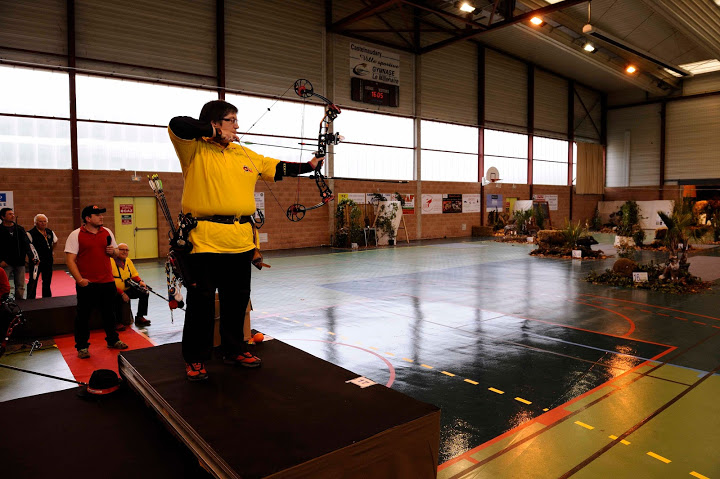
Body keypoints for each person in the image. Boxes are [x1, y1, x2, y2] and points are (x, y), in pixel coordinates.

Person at [169, 100, 324, 381]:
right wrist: (214, 134)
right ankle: (195, 358)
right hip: (203, 241)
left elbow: (278, 168)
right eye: (231, 120)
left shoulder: (244, 153)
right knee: (201, 304)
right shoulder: (193, 149)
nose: (237, 126)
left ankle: (234, 349)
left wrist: (310, 165)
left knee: (236, 300)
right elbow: (177, 124)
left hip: (240, 241)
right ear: (215, 122)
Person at [65, 205, 128, 359]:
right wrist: (80, 280)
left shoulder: (107, 232)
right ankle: (82, 347)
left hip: (107, 282)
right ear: (88, 218)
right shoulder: (76, 235)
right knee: (83, 316)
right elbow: (70, 260)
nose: (101, 217)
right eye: (97, 215)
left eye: (101, 214)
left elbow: (116, 253)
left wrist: (113, 252)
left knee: (109, 314)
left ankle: (113, 340)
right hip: (88, 284)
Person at [111, 243, 151, 330]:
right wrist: (122, 293)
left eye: (127, 250)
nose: (125, 252)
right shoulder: (110, 261)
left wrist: (140, 281)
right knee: (117, 298)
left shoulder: (128, 261)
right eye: (122, 249)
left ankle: (140, 316)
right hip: (114, 290)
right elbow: (109, 281)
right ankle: (117, 322)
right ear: (116, 250)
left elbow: (134, 275)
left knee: (144, 293)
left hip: (127, 288)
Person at [0, 208, 34, 299]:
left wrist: (31, 256)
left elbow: (26, 244)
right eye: (10, 214)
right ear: (3, 217)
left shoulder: (20, 229)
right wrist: (0, 260)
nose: (13, 216)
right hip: (5, 263)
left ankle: (20, 303)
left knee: (20, 286)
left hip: (19, 262)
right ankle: (3, 302)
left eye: (13, 214)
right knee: (3, 285)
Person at [26, 214, 58, 299]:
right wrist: (32, 257)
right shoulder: (30, 233)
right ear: (35, 222)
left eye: (44, 221)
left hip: (48, 260)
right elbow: (28, 247)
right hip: (36, 261)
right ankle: (30, 299)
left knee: (47, 281)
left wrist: (52, 251)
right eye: (40, 221)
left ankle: (47, 299)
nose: (43, 223)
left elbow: (55, 241)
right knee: (33, 280)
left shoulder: (50, 232)